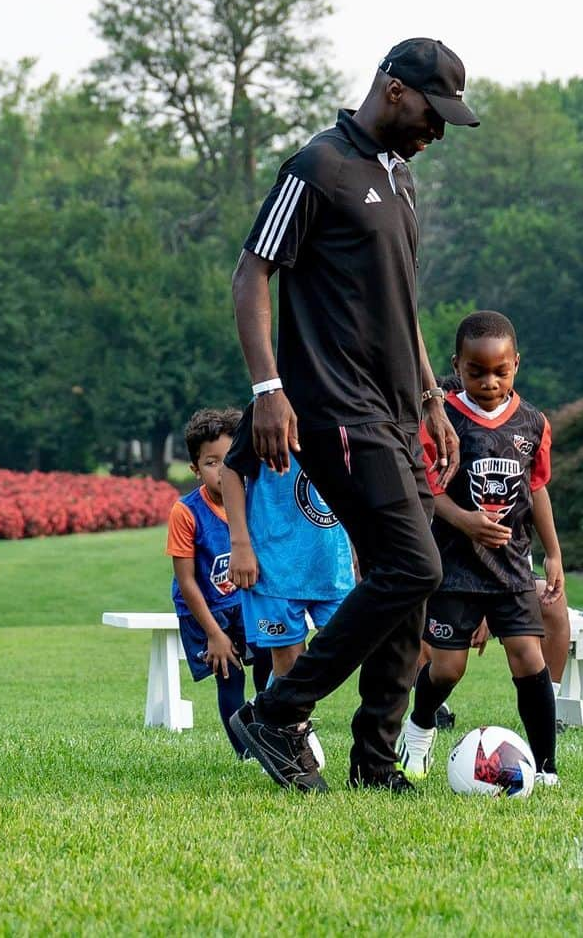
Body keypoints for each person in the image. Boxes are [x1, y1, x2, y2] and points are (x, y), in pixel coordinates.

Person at [228, 38, 479, 793]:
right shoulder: (319, 167)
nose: (437, 132)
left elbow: (400, 309)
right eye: (433, 114)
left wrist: (433, 399)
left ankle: (375, 762)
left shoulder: (401, 182)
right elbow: (251, 272)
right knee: (415, 563)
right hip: (337, 410)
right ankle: (278, 712)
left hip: (399, 414)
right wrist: (267, 389)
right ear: (393, 90)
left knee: (407, 582)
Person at [399, 310, 564, 785]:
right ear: (458, 364)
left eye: (500, 371)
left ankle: (547, 767)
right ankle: (420, 724)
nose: (489, 381)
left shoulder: (533, 423)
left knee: (528, 658)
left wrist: (553, 554)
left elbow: (537, 490)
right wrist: (465, 521)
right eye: (476, 371)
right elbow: (425, 488)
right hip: (453, 564)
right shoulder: (442, 419)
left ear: (517, 364)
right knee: (448, 668)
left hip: (511, 565)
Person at [221, 403, 355, 683]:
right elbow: (231, 471)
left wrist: (360, 548)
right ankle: (287, 724)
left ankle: (268, 715)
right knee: (289, 663)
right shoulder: (266, 408)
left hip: (334, 563)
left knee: (348, 650)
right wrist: (240, 545)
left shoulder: (352, 402)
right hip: (275, 564)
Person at [165, 408, 270, 760]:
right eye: (212, 463)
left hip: (245, 604)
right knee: (230, 675)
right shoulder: (186, 512)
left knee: (270, 661)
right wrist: (214, 634)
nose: (223, 472)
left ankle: (271, 731)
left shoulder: (255, 501)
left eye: (230, 460)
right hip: (206, 611)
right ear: (195, 469)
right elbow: (187, 582)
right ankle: (246, 755)